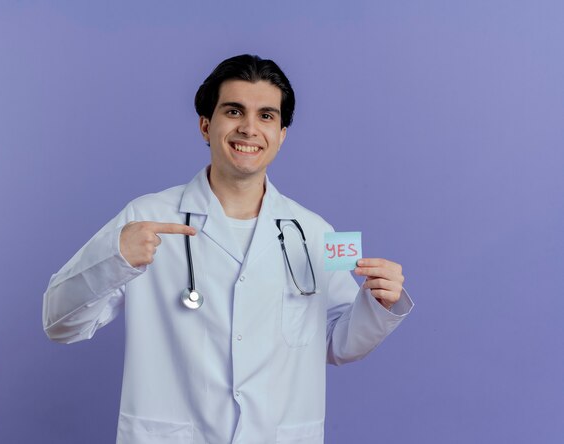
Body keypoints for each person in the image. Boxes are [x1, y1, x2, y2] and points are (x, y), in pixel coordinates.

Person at [43, 54, 413, 444]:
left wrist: (376, 304)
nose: (249, 128)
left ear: (282, 133)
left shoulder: (313, 232)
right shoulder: (147, 217)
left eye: (267, 116)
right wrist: (113, 258)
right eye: (234, 111)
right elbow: (59, 325)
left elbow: (339, 344)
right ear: (206, 125)